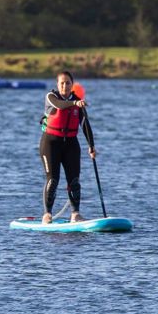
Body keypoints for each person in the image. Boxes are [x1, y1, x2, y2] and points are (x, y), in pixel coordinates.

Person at [39, 70, 96, 223]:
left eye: (68, 83)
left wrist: (91, 146)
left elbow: (85, 125)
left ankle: (75, 214)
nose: (65, 86)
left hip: (71, 144)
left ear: (72, 85)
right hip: (50, 143)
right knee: (53, 180)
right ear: (57, 85)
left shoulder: (78, 102)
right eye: (62, 83)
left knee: (74, 181)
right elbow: (60, 105)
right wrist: (75, 103)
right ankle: (47, 214)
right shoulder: (51, 97)